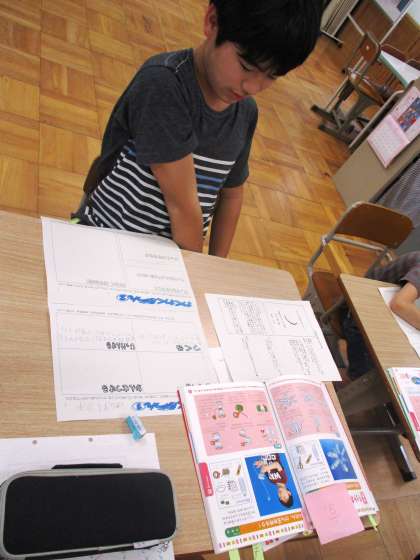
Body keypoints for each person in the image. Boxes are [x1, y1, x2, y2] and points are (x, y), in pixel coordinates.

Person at [73, 0, 323, 257]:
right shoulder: (164, 84)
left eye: (271, 76)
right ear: (212, 21)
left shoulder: (245, 112)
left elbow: (231, 195)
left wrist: (217, 265)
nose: (252, 87)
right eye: (246, 66)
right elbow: (184, 209)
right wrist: (197, 272)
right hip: (106, 236)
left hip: (167, 257)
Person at [340, 251, 420, 380]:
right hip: (358, 309)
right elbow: (399, 304)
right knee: (367, 376)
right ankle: (350, 377)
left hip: (383, 311)